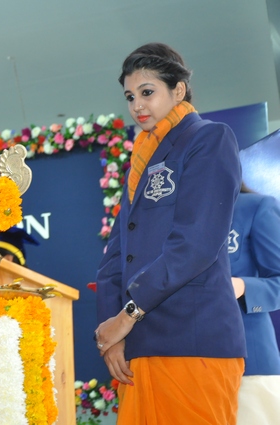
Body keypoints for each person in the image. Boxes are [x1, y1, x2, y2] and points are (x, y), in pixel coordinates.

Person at [94, 42, 246, 424]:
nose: (137, 105)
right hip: (137, 350)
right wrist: (111, 335)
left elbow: (196, 244)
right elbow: (117, 254)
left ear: (178, 90)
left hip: (193, 341)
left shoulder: (208, 139)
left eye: (147, 92)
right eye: (130, 96)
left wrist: (127, 316)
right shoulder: (141, 161)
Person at [228, 184, 280, 424]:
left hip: (250, 364)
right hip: (183, 363)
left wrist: (241, 286)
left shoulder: (254, 207)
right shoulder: (174, 213)